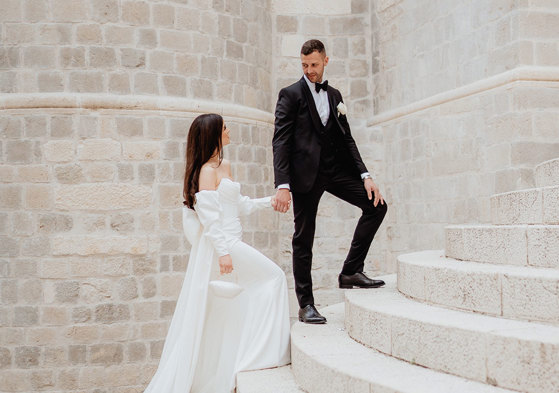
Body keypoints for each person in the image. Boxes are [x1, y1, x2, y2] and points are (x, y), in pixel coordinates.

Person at [144, 113, 290, 393]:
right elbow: (209, 218)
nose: (229, 130)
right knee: (274, 277)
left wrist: (269, 202)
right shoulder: (206, 172)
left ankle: (233, 365)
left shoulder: (224, 165)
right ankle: (264, 353)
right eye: (224, 127)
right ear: (213, 134)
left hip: (233, 240)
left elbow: (240, 205)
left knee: (230, 308)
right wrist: (223, 252)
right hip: (225, 245)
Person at [272, 39, 388, 325]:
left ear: (326, 60)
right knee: (304, 239)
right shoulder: (290, 94)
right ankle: (306, 304)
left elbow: (347, 138)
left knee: (377, 206)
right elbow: (281, 141)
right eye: (304, 65)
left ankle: (351, 270)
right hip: (304, 177)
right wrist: (282, 184)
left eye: (314, 64)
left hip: (335, 171)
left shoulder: (335, 95)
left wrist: (366, 175)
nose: (309, 71)